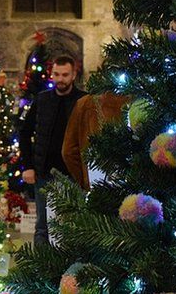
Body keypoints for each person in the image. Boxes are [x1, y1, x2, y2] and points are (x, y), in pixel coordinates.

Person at [18, 55, 85, 244]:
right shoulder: (42, 99)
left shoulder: (83, 101)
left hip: (73, 174)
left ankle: (68, 271)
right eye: (56, 74)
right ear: (51, 75)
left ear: (73, 75)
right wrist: (28, 166)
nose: (60, 79)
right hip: (44, 173)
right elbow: (24, 132)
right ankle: (41, 270)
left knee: (73, 224)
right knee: (42, 226)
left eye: (65, 75)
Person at [62, 92, 129, 190]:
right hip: (136, 188)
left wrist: (85, 182)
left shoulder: (84, 103)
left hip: (96, 185)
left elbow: (68, 152)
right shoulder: (139, 99)